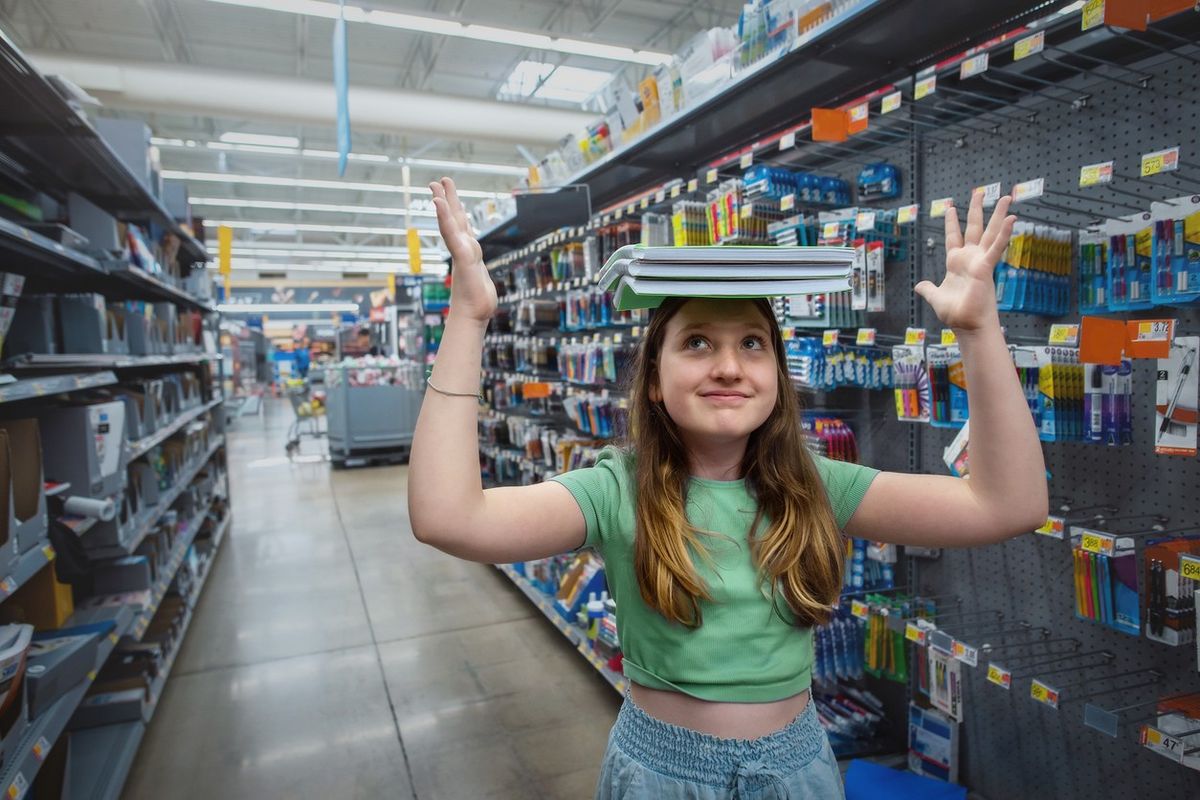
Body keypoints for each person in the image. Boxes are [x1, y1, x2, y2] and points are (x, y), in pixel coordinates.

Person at [408, 178, 1047, 799]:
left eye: (752, 343)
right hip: (661, 772)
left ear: (778, 374)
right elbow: (448, 517)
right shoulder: (614, 491)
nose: (729, 366)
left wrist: (979, 331)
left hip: (797, 768)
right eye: (696, 343)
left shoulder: (818, 485)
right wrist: (468, 317)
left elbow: (1007, 505)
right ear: (653, 379)